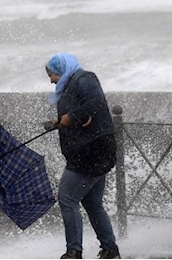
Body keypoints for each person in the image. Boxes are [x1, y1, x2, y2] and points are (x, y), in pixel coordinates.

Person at [44, 53, 121, 259]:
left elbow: (95, 101)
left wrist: (74, 117)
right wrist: (59, 122)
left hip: (91, 152)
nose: (51, 80)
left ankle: (74, 251)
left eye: (52, 75)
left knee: (67, 198)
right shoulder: (70, 84)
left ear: (62, 70)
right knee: (93, 203)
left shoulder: (84, 79)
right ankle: (110, 249)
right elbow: (79, 112)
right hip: (92, 151)